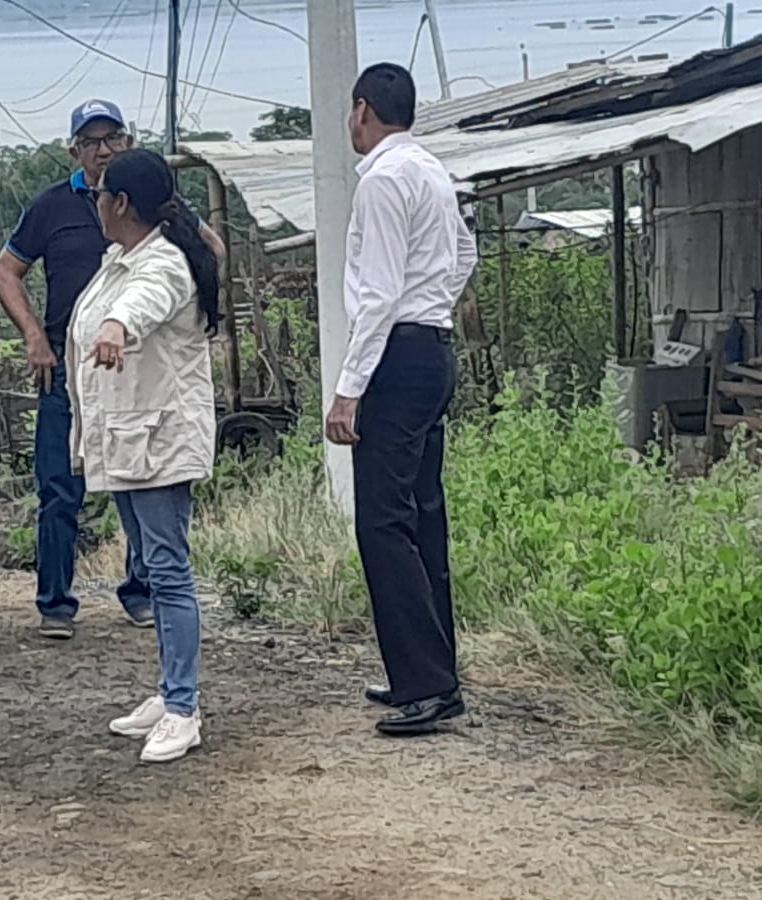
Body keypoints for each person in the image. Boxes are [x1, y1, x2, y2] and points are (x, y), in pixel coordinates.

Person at [0, 98, 224, 641]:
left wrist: (149, 320)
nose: (103, 150)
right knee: (59, 486)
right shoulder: (54, 206)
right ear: (74, 151)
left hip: (139, 373)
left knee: (142, 486)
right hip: (70, 369)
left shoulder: (158, 210)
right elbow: (5, 269)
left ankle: (143, 595)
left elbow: (191, 262)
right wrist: (34, 337)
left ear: (128, 143)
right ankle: (56, 602)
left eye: (113, 138)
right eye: (91, 142)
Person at [323, 63, 476, 737]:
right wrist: (435, 301)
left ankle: (428, 683)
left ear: (363, 110)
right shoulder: (432, 171)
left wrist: (348, 390)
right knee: (421, 514)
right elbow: (465, 253)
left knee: (383, 522)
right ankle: (431, 672)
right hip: (430, 348)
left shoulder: (383, 179)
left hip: (396, 354)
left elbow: (380, 295)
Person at [69, 148, 219, 764]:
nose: (96, 204)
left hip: (159, 440)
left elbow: (145, 301)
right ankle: (169, 689)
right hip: (129, 437)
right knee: (152, 569)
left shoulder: (164, 263)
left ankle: (183, 708)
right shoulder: (121, 259)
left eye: (100, 194)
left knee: (168, 569)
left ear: (122, 203)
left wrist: (116, 327)